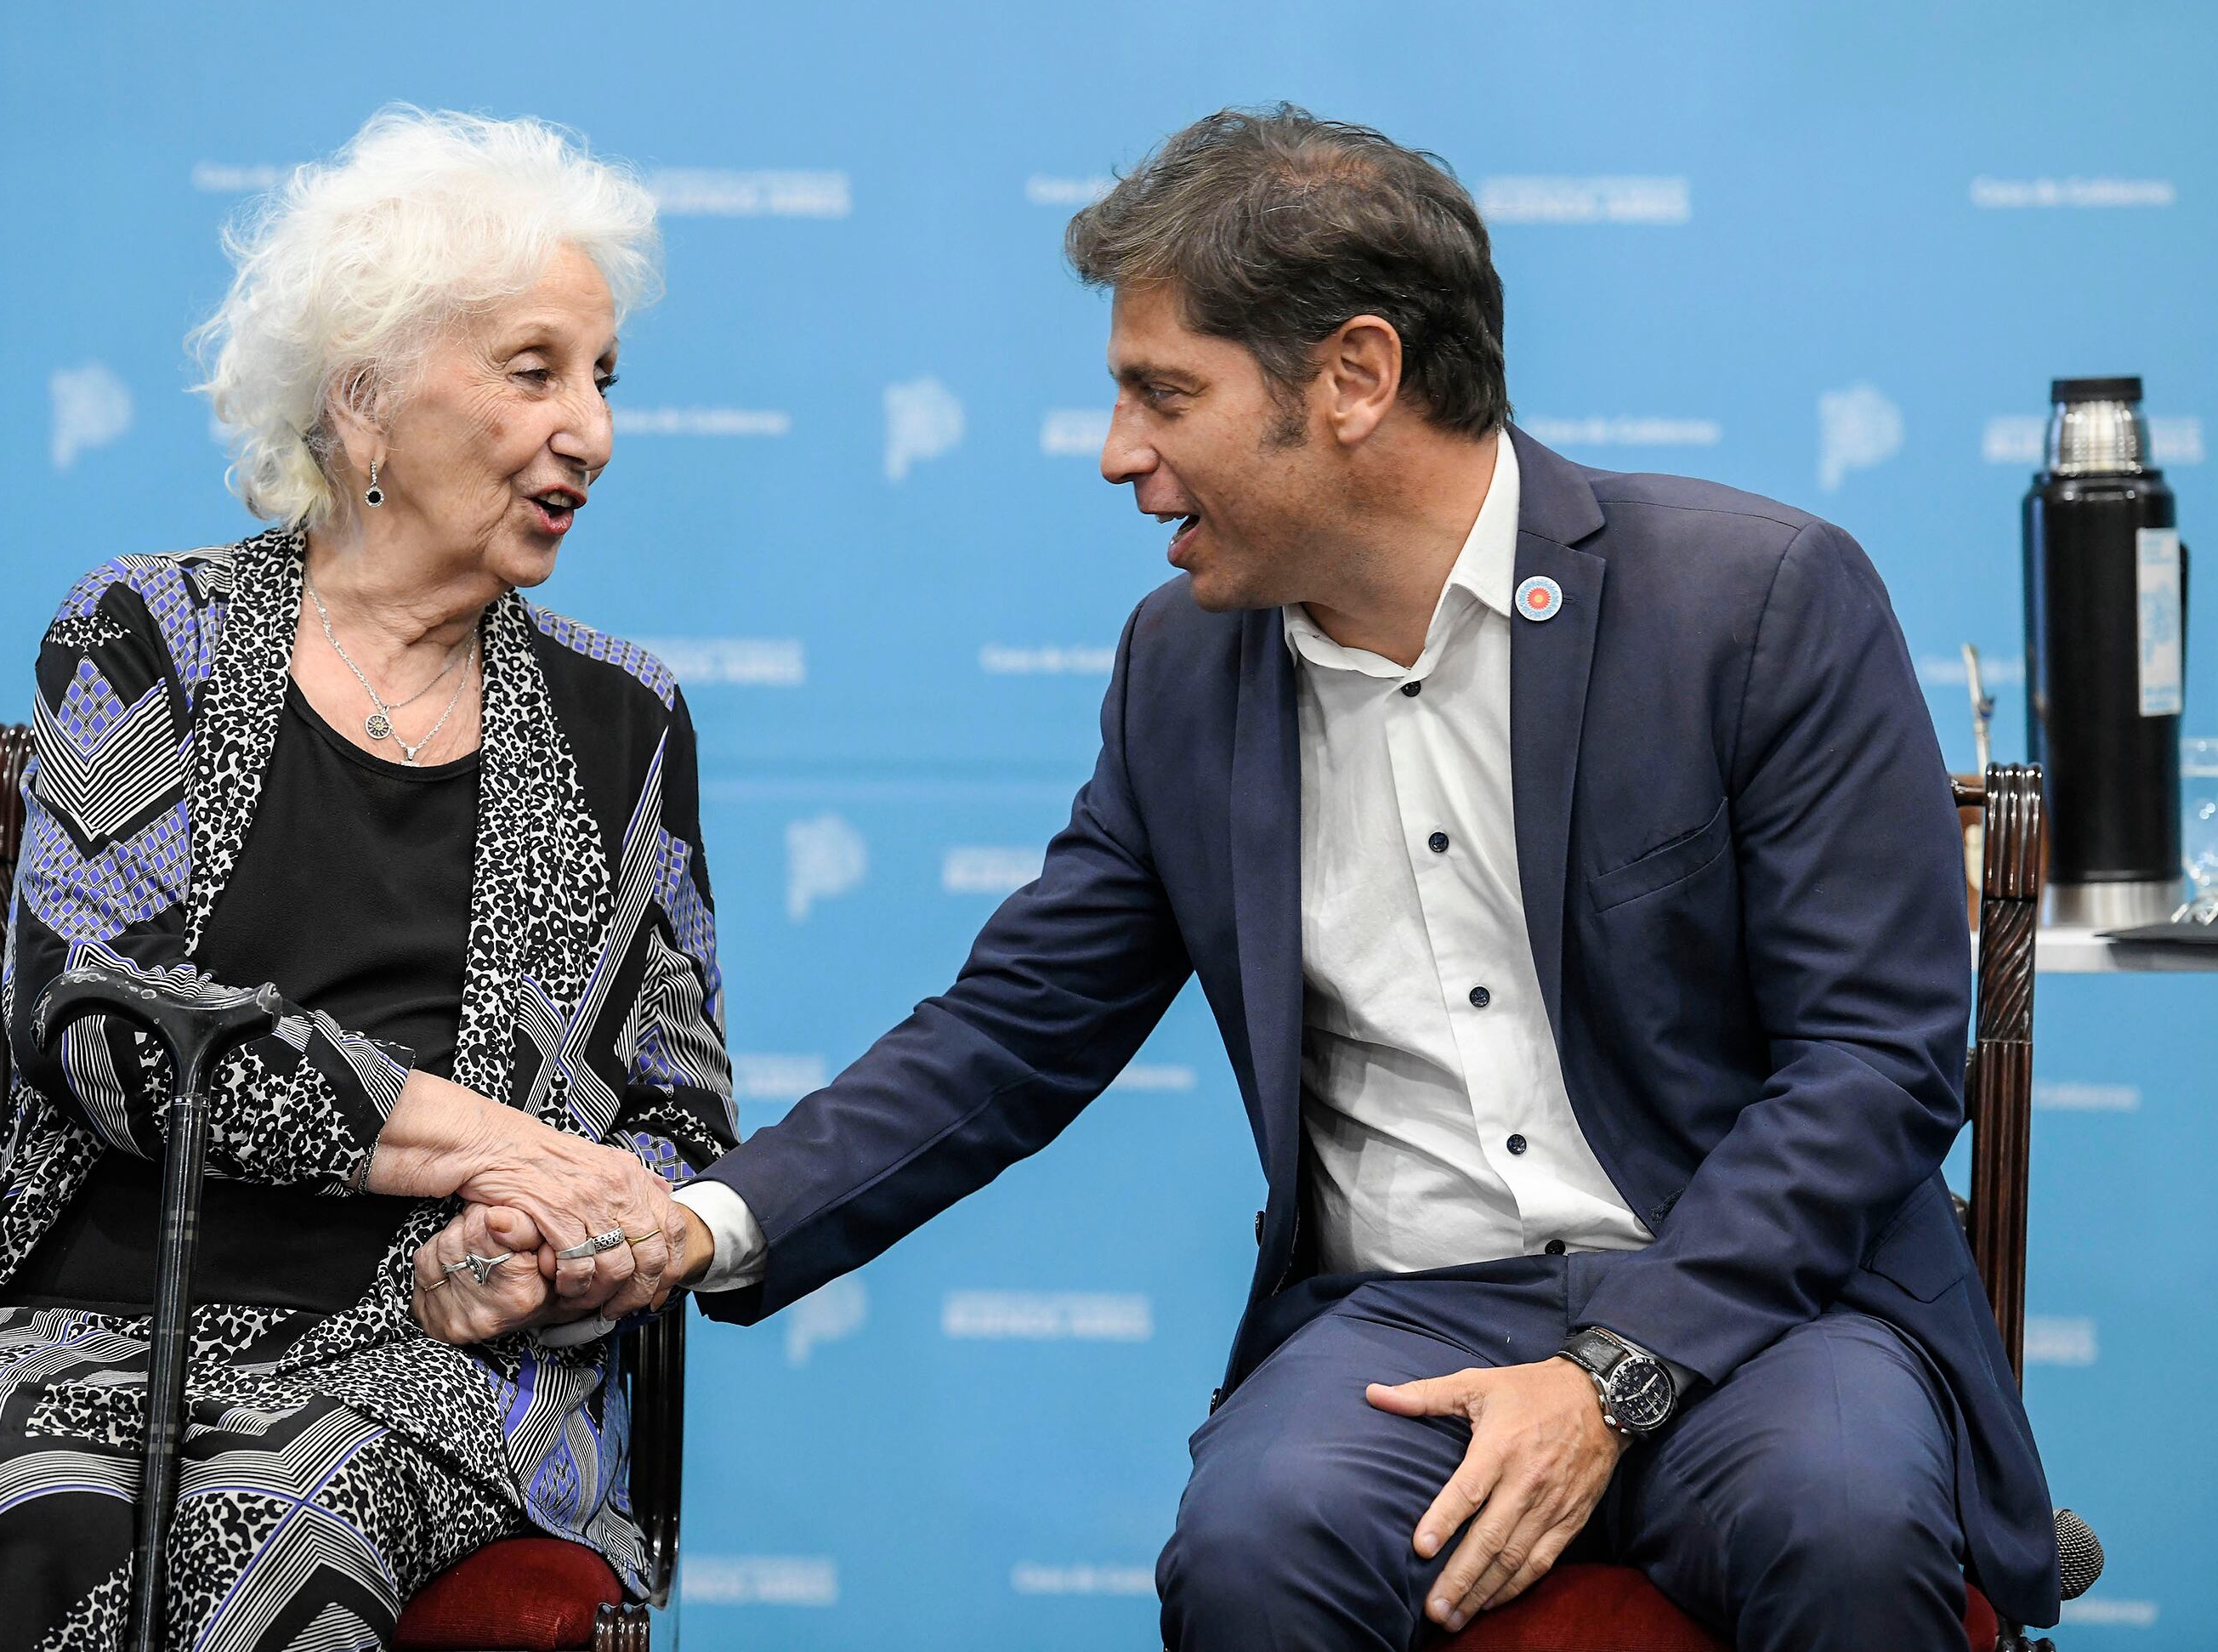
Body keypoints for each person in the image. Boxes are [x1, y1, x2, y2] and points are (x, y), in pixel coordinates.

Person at [648, 106, 2059, 1649]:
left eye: (1161, 394)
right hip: (1403, 1319)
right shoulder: (1180, 672)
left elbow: (1871, 1063)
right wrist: (706, 1222)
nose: (1120, 454)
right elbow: (1010, 1032)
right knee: (1254, 1551)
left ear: (1355, 379)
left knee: (1841, 1521)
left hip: (1763, 1300)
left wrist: (1612, 1373)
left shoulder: (1756, 601)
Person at [0, 108, 735, 1650]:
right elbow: (100, 1016)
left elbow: (674, 1129)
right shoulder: (151, 634)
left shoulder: (625, 718)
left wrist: (546, 1251)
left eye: (604, 381)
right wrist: (496, 1143)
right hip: (95, 1319)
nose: (591, 431)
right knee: (49, 1502)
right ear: (366, 403)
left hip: (434, 1354)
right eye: (536, 372)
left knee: (252, 1535)